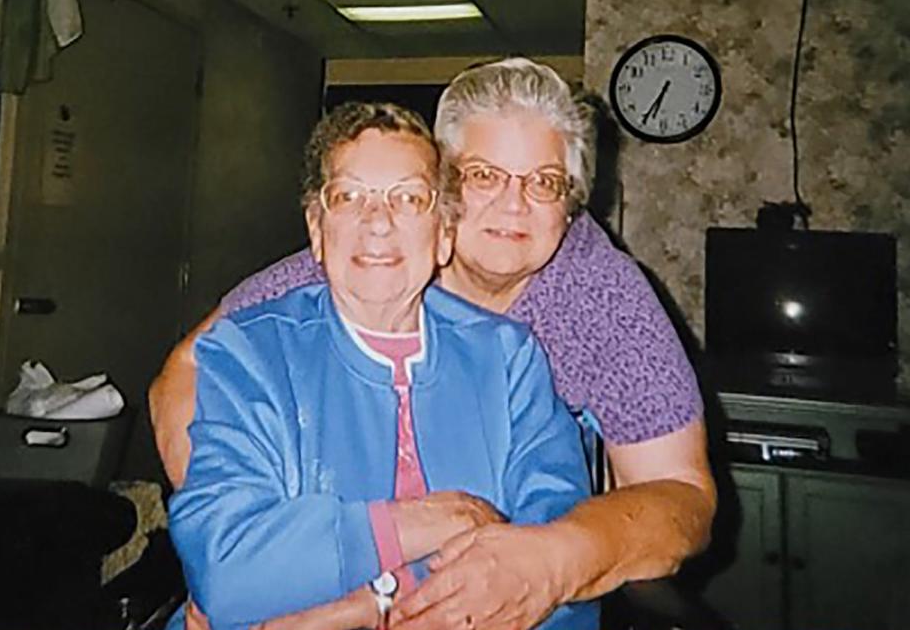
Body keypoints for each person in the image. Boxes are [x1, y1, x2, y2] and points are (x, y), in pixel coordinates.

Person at [151, 58, 717, 630]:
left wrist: (556, 558)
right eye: (484, 175)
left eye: (543, 182)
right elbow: (182, 379)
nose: (513, 204)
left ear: (570, 202)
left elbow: (681, 495)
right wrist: (243, 565)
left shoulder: (591, 303)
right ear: (442, 189)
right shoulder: (357, 264)